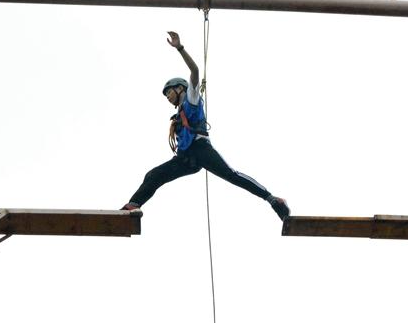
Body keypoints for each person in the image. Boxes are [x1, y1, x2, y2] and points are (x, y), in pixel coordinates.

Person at [121, 31, 290, 221]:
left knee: (232, 176)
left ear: (180, 89)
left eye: (169, 92)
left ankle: (274, 200)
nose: (167, 96)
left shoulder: (191, 98)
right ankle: (133, 206)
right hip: (185, 158)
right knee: (154, 175)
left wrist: (180, 48)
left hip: (201, 149)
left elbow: (194, 71)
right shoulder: (178, 114)